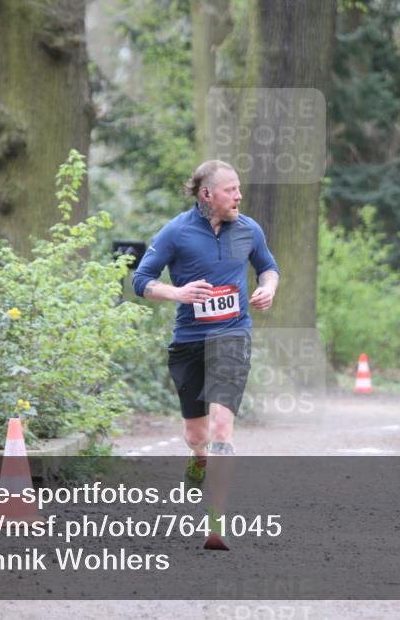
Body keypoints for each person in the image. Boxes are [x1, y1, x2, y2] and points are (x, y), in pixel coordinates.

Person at [132, 160, 279, 545]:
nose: (239, 196)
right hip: (188, 341)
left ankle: (217, 521)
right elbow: (141, 280)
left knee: (221, 428)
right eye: (231, 190)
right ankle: (198, 458)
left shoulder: (249, 229)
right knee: (196, 434)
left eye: (239, 188)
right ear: (206, 195)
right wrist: (176, 293)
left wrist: (269, 288)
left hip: (232, 335)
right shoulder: (176, 232)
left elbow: (268, 268)